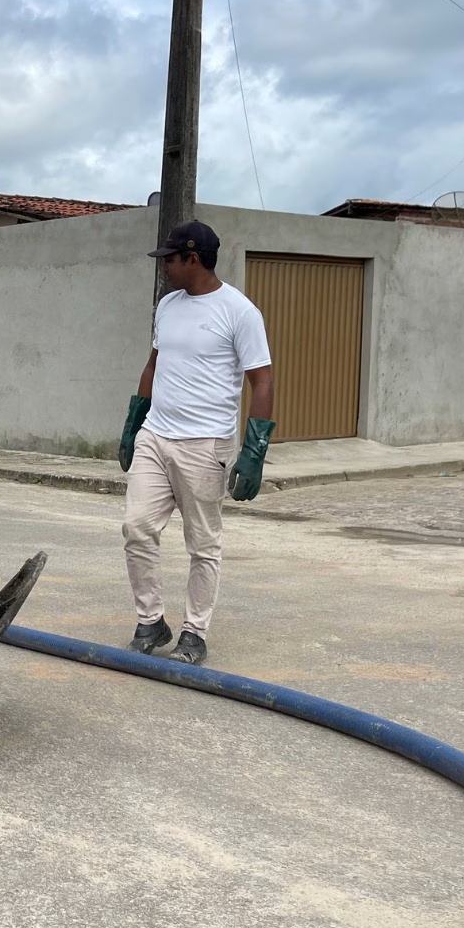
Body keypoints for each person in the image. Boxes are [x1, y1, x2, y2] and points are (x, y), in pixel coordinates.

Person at [117, 220, 274, 666]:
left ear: (193, 258)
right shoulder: (167, 305)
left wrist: (254, 450)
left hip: (206, 445)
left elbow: (261, 382)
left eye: (169, 258)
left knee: (202, 544)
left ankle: (194, 631)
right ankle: (151, 620)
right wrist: (134, 422)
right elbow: (154, 362)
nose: (164, 265)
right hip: (156, 436)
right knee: (137, 527)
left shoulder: (240, 312)